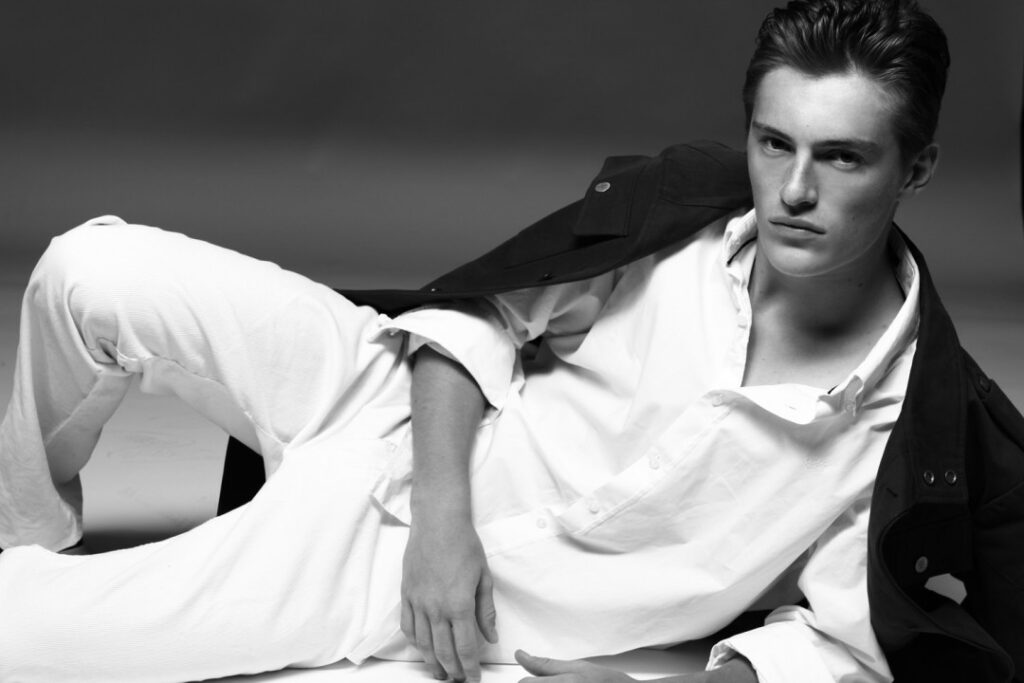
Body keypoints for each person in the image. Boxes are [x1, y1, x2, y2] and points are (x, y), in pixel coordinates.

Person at [0, 0, 1020, 682]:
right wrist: (443, 521)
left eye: (840, 158)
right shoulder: (685, 219)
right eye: (774, 143)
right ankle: (29, 521)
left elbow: (837, 640)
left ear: (916, 167)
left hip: (388, 576)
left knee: (20, 634)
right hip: (388, 395)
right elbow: (477, 318)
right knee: (88, 267)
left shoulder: (907, 430)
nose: (793, 189)